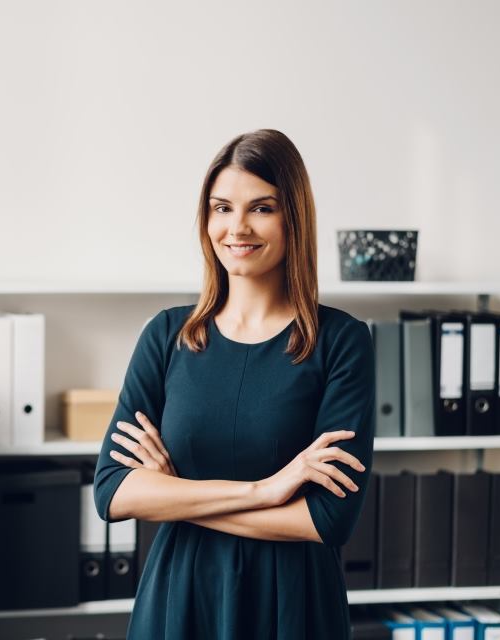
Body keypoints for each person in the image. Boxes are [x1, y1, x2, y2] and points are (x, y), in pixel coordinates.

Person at [93, 128, 375, 639]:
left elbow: (328, 520)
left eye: (261, 208)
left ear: (294, 217)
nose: (237, 227)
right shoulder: (167, 336)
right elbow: (112, 492)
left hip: (292, 604)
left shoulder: (342, 342)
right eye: (222, 208)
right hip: (180, 598)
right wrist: (266, 491)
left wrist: (174, 493)